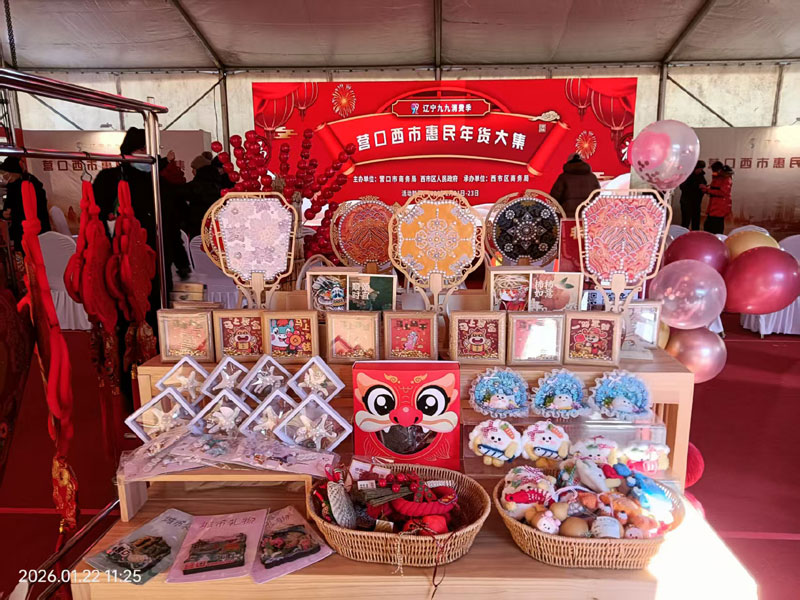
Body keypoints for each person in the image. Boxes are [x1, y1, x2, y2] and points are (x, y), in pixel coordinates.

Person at [93, 127, 190, 326]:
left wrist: (181, 261)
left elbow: (171, 224)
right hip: (120, 258)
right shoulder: (109, 179)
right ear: (128, 151)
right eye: (141, 149)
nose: (146, 154)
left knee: (156, 312)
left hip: (157, 258)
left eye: (149, 149)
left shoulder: (159, 182)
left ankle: (155, 343)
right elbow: (96, 218)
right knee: (124, 311)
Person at [1, 156, 51, 251]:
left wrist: (13, 212)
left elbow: (35, 209)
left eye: (6, 174)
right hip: (20, 233)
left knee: (39, 255)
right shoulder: (12, 187)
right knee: (24, 257)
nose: (4, 177)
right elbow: (8, 207)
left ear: (14, 171)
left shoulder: (31, 184)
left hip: (37, 232)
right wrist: (4, 213)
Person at [183, 153, 223, 239]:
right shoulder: (217, 181)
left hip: (197, 222)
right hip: (214, 219)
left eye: (193, 168)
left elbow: (181, 193)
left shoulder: (196, 184)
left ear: (198, 169)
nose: (192, 171)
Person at [701, 162, 732, 235]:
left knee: (716, 227)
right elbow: (714, 188)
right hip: (714, 206)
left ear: (719, 170)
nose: (713, 172)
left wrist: (707, 190)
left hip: (720, 207)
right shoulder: (717, 177)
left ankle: (717, 239)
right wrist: (706, 189)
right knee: (708, 227)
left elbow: (723, 192)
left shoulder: (726, 179)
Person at [679, 160, 706, 230]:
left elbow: (704, 184)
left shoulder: (701, 176)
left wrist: (704, 187)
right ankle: (684, 233)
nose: (700, 171)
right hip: (686, 201)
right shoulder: (687, 175)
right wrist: (697, 186)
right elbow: (682, 187)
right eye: (699, 169)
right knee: (686, 221)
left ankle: (695, 234)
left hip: (697, 202)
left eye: (701, 169)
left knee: (696, 221)